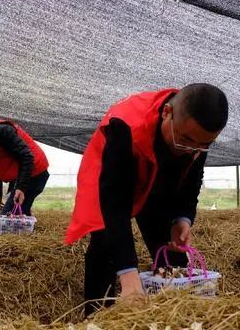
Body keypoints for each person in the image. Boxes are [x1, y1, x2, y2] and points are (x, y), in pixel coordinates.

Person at [65, 84, 229, 315]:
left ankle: (171, 311)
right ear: (166, 113)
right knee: (105, 241)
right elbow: (115, 202)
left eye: (204, 145)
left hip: (155, 175)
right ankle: (97, 313)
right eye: (185, 140)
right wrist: (128, 274)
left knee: (169, 249)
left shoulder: (196, 140)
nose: (191, 149)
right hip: (111, 172)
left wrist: (182, 218)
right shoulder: (124, 125)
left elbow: (192, 178)